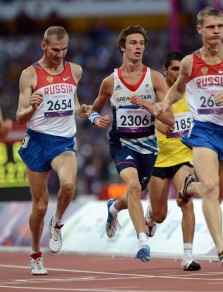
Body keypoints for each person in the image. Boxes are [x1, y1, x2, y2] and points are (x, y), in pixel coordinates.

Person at [154, 7, 223, 267]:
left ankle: (187, 187)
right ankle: (222, 249)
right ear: (199, 29)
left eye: (220, 27)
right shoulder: (191, 62)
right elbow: (178, 90)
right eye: (211, 27)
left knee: (217, 197)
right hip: (203, 130)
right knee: (210, 189)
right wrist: (164, 104)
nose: (216, 32)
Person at [88, 25, 174, 262]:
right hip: (121, 143)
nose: (138, 47)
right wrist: (98, 120)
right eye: (133, 43)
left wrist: (148, 106)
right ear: (123, 48)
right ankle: (142, 242)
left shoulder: (155, 78)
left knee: (135, 193)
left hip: (148, 146)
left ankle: (113, 208)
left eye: (141, 43)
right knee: (134, 187)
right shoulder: (110, 81)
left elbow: (171, 120)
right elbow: (92, 112)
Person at [16, 26, 89, 275]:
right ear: (43, 46)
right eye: (55, 50)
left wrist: (83, 111)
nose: (60, 55)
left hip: (64, 142)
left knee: (68, 185)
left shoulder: (75, 70)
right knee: (39, 206)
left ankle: (57, 223)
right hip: (37, 142)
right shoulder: (30, 74)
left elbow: (75, 103)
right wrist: (32, 108)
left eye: (64, 49)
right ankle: (36, 254)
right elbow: (19, 117)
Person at [144, 51, 202, 271]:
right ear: (165, 71)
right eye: (174, 69)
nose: (179, 73)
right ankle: (150, 213)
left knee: (186, 201)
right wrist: (155, 124)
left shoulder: (192, 93)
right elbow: (137, 121)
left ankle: (188, 256)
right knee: (160, 215)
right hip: (158, 160)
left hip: (183, 158)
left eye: (182, 68)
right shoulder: (155, 94)